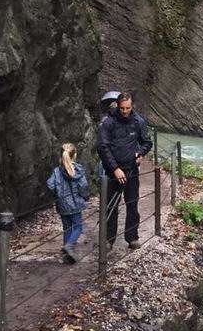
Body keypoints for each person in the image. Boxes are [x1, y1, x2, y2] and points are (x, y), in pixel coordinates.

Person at [97, 92, 152, 250]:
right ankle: (108, 239)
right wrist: (114, 168)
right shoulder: (109, 123)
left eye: (128, 108)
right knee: (111, 206)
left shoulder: (138, 122)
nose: (125, 111)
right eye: (122, 108)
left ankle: (132, 237)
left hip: (132, 171)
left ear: (131, 106)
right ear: (118, 105)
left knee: (132, 205)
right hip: (113, 172)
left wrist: (140, 153)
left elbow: (147, 142)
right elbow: (103, 147)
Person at [47, 143, 90, 264]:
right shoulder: (78, 170)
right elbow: (83, 186)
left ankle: (66, 256)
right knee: (77, 227)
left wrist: (57, 195)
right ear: (74, 155)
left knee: (67, 228)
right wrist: (85, 197)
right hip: (76, 204)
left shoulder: (56, 171)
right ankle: (69, 246)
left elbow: (50, 185)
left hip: (62, 204)